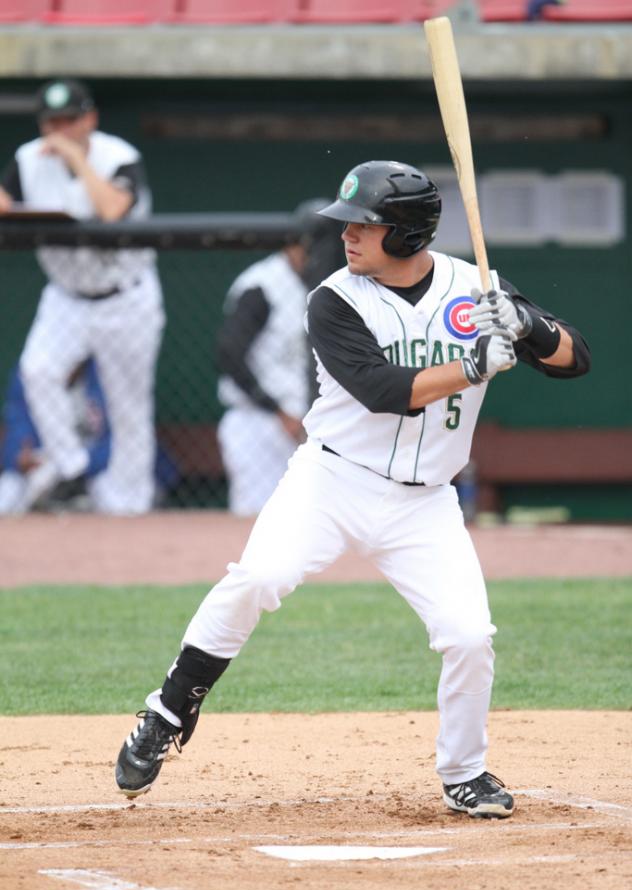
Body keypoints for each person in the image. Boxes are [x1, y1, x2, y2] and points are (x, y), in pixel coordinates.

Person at [115, 160, 590, 818]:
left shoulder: (473, 286)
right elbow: (383, 392)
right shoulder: (333, 298)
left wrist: (528, 326)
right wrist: (474, 362)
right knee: (258, 577)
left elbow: (575, 360)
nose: (345, 236)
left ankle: (465, 772)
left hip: (425, 500)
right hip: (332, 480)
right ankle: (168, 711)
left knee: (469, 636)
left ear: (405, 233)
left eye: (363, 225)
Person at [0, 78, 165, 514]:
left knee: (128, 406)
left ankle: (130, 509)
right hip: (65, 295)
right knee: (38, 371)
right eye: (52, 121)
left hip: (125, 297)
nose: (59, 129)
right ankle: (70, 470)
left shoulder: (120, 156)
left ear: (89, 118)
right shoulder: (27, 159)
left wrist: (75, 156)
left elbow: (112, 210)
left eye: (69, 120)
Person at [216, 199, 341, 516]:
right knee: (256, 519)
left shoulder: (334, 287)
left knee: (310, 521)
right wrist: (277, 411)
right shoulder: (262, 285)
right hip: (259, 423)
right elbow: (230, 355)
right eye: (308, 246)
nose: (313, 256)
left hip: (311, 425)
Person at [0, 359, 180, 514]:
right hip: (47, 463)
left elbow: (120, 441)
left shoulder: (107, 373)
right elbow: (16, 430)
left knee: (115, 501)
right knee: (7, 493)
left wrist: (81, 464)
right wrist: (19, 458)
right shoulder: (30, 374)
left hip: (97, 465)